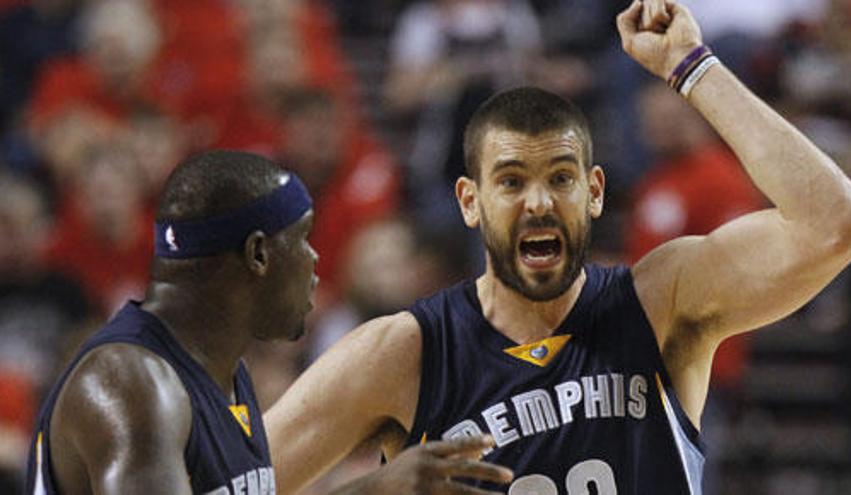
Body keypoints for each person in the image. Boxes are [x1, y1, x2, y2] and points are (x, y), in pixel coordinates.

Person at [265, 1, 851, 493]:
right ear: (469, 201)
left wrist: (691, 66)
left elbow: (836, 222)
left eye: (560, 178)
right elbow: (231, 487)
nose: (538, 202)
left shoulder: (662, 301)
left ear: (595, 193)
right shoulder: (403, 352)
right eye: (510, 182)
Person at [24, 150, 513, 494]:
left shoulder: (223, 371)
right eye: (303, 240)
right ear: (258, 254)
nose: (317, 259)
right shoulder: (132, 381)